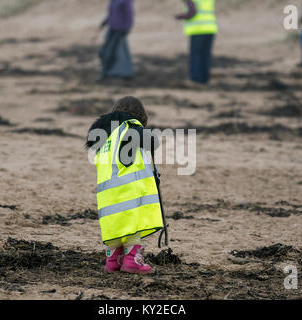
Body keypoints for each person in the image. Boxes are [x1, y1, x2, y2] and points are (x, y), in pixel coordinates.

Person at [85, 97, 163, 274]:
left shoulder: (105, 138)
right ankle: (132, 261)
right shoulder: (129, 129)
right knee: (131, 230)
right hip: (128, 194)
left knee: (115, 230)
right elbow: (154, 142)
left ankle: (112, 261)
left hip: (106, 197)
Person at [175, 0, 218, 85]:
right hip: (210, 28)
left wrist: (180, 16)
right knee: (206, 55)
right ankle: (204, 78)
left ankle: (196, 79)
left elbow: (192, 12)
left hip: (197, 30)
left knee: (196, 55)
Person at [98, 0, 135, 80]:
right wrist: (105, 21)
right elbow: (112, 13)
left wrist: (127, 27)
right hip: (112, 28)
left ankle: (106, 73)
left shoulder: (125, 1)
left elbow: (129, 14)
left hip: (120, 29)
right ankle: (109, 72)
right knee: (103, 51)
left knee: (110, 52)